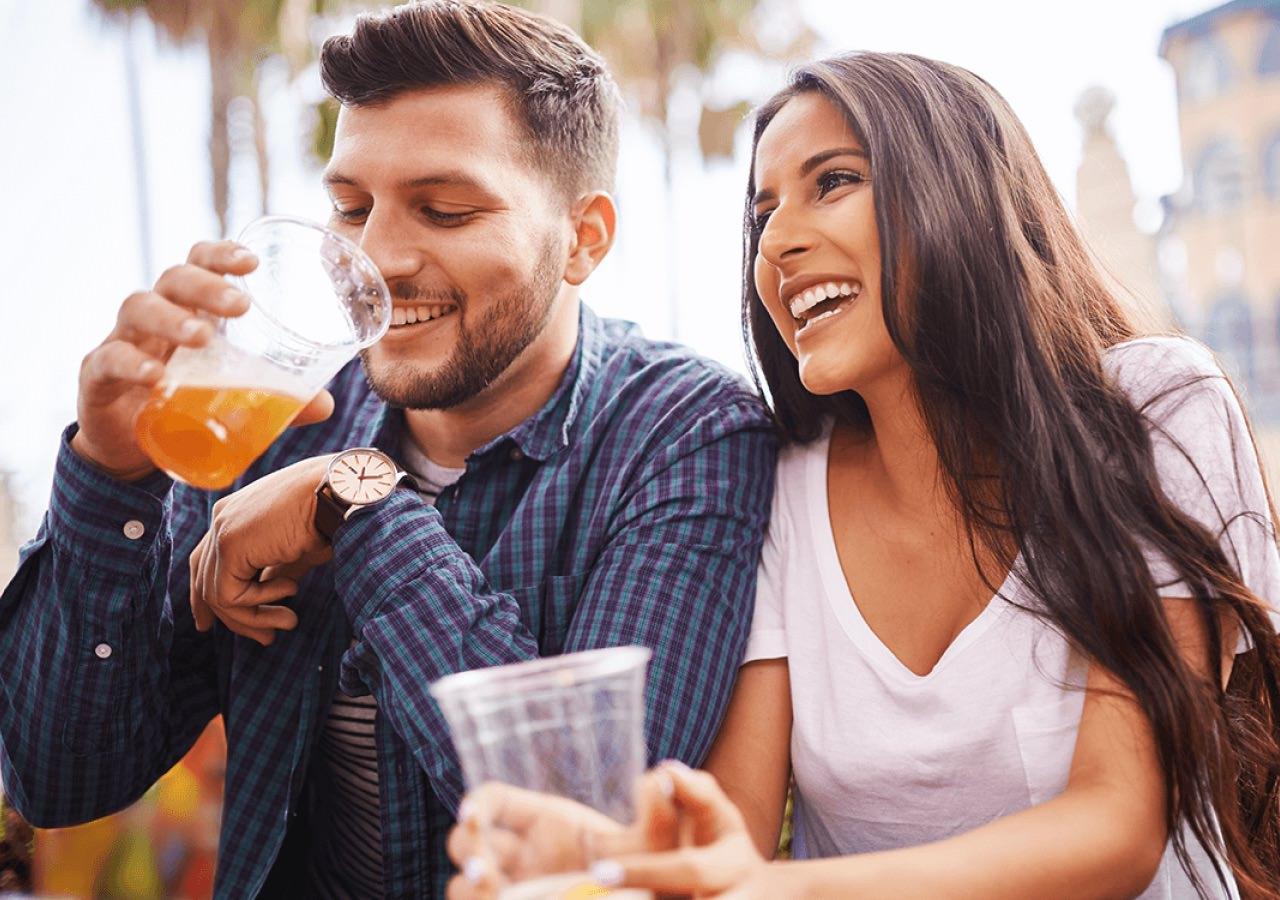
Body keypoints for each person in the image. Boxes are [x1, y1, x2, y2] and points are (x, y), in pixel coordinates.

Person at [446, 52, 1280, 899]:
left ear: (962, 191)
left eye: (834, 181)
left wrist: (779, 892)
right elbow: (731, 828)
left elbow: (1119, 826)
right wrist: (613, 856)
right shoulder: (784, 482)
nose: (776, 241)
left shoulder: (1157, 407)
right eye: (762, 213)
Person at [0, 2, 776, 896]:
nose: (376, 260)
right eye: (350, 208)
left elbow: (586, 833)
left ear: (583, 239)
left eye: (443, 210)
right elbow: (63, 778)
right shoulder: (273, 424)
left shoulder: (687, 434)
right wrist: (111, 471)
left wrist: (352, 501)